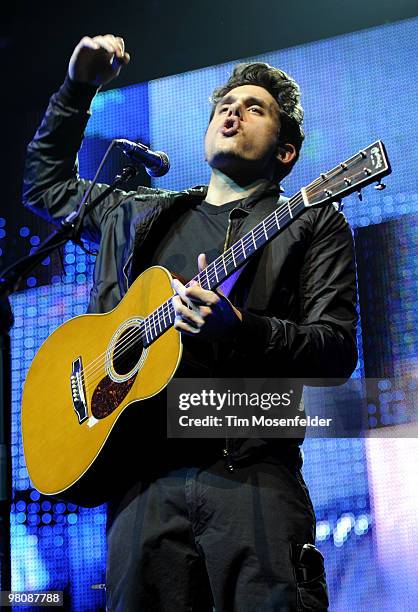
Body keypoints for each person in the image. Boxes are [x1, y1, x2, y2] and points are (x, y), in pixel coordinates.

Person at [23, 34, 358, 611]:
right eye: (225, 104)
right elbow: (45, 186)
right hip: (142, 484)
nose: (233, 111)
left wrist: (243, 329)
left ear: (286, 153)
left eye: (254, 108)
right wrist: (77, 88)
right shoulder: (139, 215)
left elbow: (335, 349)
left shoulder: (311, 222)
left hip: (251, 473)